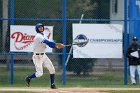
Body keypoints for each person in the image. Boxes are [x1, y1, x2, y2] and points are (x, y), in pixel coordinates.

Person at [25, 23, 64, 89]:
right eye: (39, 27)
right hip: (37, 57)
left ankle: (52, 84)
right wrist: (56, 45)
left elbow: (50, 44)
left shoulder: (44, 35)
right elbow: (48, 43)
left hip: (44, 56)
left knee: (52, 70)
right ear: (37, 29)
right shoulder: (38, 36)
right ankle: (28, 77)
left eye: (42, 27)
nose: (41, 28)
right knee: (40, 73)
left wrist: (56, 46)